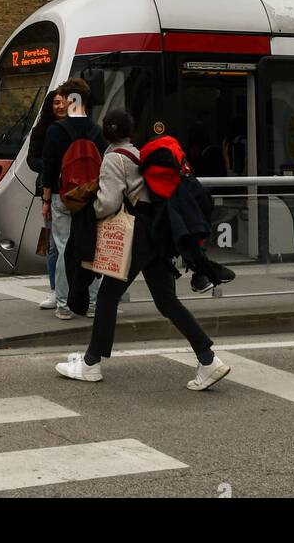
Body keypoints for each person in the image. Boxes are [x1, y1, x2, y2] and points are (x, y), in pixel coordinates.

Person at [55, 108, 231, 391]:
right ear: (131, 130)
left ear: (105, 132)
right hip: (157, 233)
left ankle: (90, 363)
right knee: (166, 301)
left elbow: (109, 203)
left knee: (108, 295)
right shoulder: (139, 153)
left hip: (135, 235)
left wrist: (89, 209)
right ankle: (208, 359)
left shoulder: (113, 158)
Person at [40, 77, 102, 320]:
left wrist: (46, 199)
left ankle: (64, 306)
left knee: (64, 249)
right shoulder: (96, 130)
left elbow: (49, 166)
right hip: (90, 198)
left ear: (69, 100)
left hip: (62, 196)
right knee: (90, 249)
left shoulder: (57, 130)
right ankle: (93, 304)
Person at [27, 90, 68, 309]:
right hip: (49, 190)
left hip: (74, 189)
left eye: (64, 102)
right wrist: (50, 165)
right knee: (53, 244)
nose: (60, 107)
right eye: (56, 103)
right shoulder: (41, 130)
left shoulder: (75, 128)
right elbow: (31, 160)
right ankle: (55, 290)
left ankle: (70, 290)